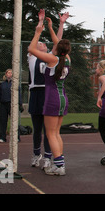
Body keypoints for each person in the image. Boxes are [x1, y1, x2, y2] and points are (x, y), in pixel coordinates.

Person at [28, 16, 71, 176]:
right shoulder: (66, 59)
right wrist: (54, 26)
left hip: (52, 98)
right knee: (56, 133)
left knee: (50, 133)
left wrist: (38, 32)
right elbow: (57, 41)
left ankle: (59, 165)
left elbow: (32, 49)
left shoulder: (52, 59)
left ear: (57, 49)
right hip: (62, 98)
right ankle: (60, 163)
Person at [0, 69, 22, 143]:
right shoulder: (2, 84)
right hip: (4, 104)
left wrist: (20, 104)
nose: (10, 74)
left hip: (12, 104)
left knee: (14, 121)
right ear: (6, 74)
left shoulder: (15, 84)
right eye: (8, 73)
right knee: (3, 121)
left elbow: (19, 94)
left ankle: (16, 137)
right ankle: (2, 137)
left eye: (11, 73)